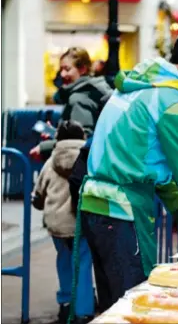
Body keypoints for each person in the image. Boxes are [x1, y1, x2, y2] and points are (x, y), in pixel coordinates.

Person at [77, 28, 178, 308]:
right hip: (123, 212)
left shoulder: (139, 84)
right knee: (133, 305)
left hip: (95, 208)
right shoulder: (172, 99)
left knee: (112, 306)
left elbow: (154, 166)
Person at [31, 120, 94, 324]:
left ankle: (65, 305)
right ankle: (83, 312)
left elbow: (39, 194)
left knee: (64, 261)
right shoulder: (89, 158)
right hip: (81, 222)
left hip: (57, 224)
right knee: (83, 264)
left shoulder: (50, 162)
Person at [30, 47, 113, 162]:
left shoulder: (79, 97)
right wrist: (57, 133)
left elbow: (79, 139)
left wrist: (44, 148)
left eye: (67, 69)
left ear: (83, 69)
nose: (63, 74)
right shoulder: (91, 91)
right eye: (61, 69)